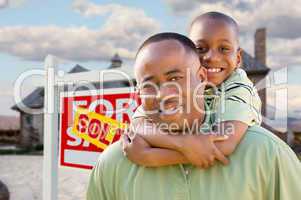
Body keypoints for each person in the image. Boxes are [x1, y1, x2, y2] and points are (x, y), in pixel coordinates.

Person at [87, 33, 301, 200]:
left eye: (175, 78)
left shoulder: (266, 153)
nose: (164, 93)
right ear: (139, 94)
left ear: (201, 77)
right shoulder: (113, 163)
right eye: (149, 85)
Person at [123, 12, 262, 168]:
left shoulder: (239, 87)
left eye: (223, 49)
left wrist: (150, 157)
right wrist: (182, 143)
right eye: (200, 48)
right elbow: (139, 125)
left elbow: (223, 144)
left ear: (237, 58)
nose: (211, 57)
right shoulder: (181, 87)